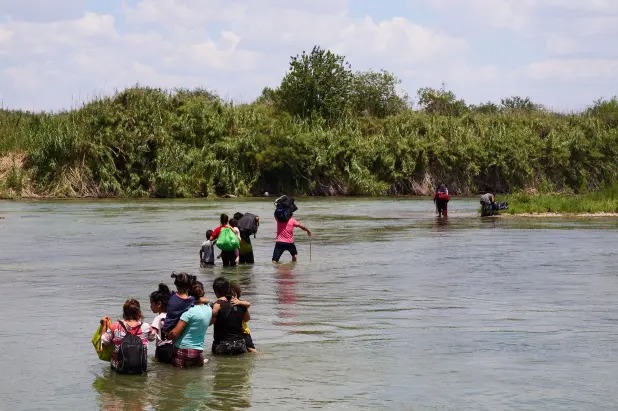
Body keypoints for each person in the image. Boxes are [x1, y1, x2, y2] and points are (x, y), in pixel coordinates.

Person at [100, 299, 155, 373]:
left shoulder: (116, 326)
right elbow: (152, 338)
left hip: (119, 368)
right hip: (141, 368)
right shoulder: (146, 327)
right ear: (139, 312)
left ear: (124, 313)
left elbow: (103, 341)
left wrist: (104, 326)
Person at [167, 281, 213, 368]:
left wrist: (168, 336)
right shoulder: (208, 308)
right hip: (198, 351)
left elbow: (175, 333)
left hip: (183, 350)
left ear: (188, 293)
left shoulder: (188, 311)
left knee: (179, 379)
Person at [210, 277, 249, 355]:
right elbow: (247, 319)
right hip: (239, 345)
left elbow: (209, 323)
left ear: (216, 292)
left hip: (222, 345)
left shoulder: (216, 305)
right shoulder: (239, 303)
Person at [149, 283, 174, 364]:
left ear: (159, 304)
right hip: (173, 347)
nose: (150, 306)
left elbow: (152, 336)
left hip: (162, 349)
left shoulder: (158, 318)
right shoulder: (172, 316)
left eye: (151, 303)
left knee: (161, 373)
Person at [230, 281, 256, 353]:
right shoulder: (227, 305)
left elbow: (248, 304)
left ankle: (257, 354)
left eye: (234, 295)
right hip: (236, 332)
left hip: (244, 331)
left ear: (237, 295)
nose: (232, 297)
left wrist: (239, 302)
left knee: (250, 349)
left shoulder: (240, 303)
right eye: (230, 295)